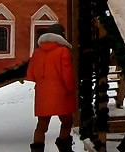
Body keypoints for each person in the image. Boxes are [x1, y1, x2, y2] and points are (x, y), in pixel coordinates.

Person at [26, 23, 76, 152]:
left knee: (42, 125)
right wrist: (71, 89)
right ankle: (64, 148)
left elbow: (31, 75)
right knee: (67, 121)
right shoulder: (63, 51)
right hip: (61, 92)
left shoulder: (37, 52)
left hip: (42, 93)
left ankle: (37, 150)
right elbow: (67, 74)